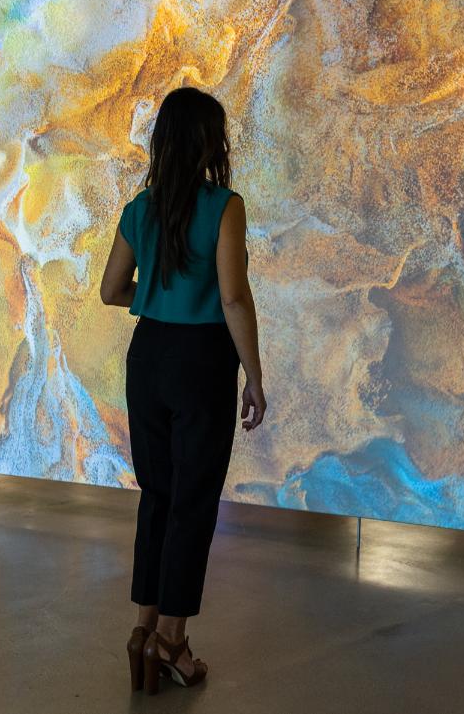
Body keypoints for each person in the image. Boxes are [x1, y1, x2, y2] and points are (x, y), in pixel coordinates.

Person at [99, 86, 267, 694]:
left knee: (158, 496)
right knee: (193, 502)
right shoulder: (224, 206)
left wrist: (154, 294)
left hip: (148, 357)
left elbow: (111, 290)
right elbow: (233, 298)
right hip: (202, 361)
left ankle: (143, 628)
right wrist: (253, 374)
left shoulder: (139, 208)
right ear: (207, 143)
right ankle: (171, 642)